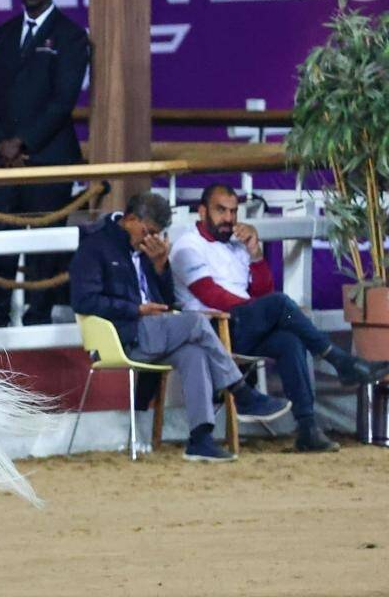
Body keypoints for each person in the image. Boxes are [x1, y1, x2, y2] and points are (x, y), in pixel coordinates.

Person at [70, 192, 290, 462]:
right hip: (123, 333)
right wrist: (135, 309)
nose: (151, 239)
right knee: (196, 321)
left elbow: (167, 301)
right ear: (129, 219)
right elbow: (83, 300)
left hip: (154, 330)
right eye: (148, 231)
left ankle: (200, 438)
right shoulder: (96, 245)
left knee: (193, 354)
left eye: (158, 233)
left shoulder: (147, 250)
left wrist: (161, 265)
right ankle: (241, 392)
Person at [170, 183, 388, 452]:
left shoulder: (236, 246)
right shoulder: (186, 247)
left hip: (241, 327)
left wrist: (256, 255)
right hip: (211, 330)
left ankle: (307, 428)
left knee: (289, 341)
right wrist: (264, 308)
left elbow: (263, 290)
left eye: (233, 211)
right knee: (280, 304)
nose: (228, 218)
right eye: (220, 210)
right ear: (202, 212)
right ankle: (340, 361)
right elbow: (212, 295)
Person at [0, 0, 91, 328]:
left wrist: (22, 142)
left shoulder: (71, 36)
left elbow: (63, 101)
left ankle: (38, 320)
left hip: (47, 158)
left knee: (44, 249)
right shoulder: (5, 32)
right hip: (3, 160)